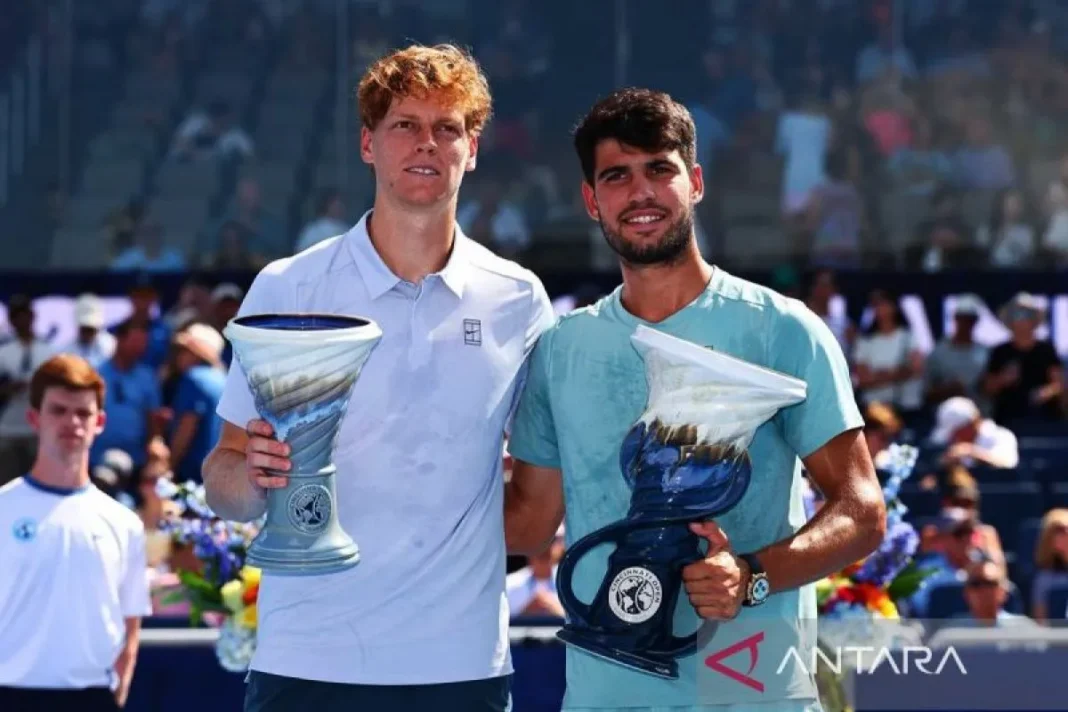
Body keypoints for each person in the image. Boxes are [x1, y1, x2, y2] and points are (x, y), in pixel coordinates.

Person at [504, 88, 885, 711]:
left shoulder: (784, 330)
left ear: (696, 182)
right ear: (591, 200)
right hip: (605, 699)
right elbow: (528, 524)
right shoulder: (561, 349)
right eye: (617, 176)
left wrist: (753, 575)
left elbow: (862, 511)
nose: (641, 193)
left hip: (753, 694)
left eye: (660, 169)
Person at [202, 44, 553, 712]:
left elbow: (536, 512)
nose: (427, 143)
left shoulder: (518, 299)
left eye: (447, 127)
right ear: (368, 144)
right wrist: (253, 478)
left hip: (462, 666)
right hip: (305, 661)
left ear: (473, 149)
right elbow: (225, 476)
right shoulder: (288, 286)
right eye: (405, 125)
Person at [0, 354, 152, 711]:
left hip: (92, 697)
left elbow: (130, 625)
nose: (72, 422)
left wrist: (115, 695)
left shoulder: (124, 523)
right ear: (34, 418)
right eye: (59, 410)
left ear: (99, 422)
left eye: (83, 413)